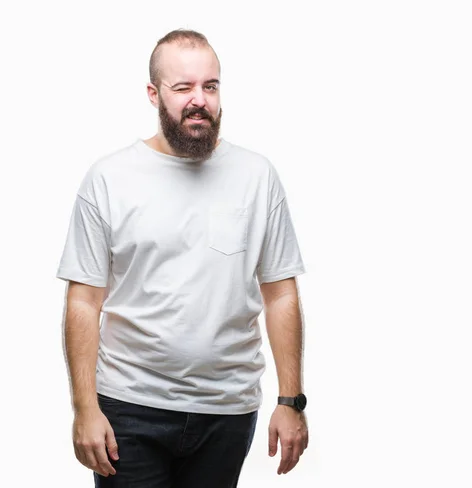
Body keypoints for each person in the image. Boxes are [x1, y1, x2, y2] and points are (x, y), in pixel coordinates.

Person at [56, 29, 309, 487]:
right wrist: (84, 408)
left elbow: (280, 294)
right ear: (154, 94)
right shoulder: (109, 179)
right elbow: (83, 302)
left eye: (210, 86)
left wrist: (290, 401)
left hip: (227, 410)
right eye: (183, 88)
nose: (200, 100)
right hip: (129, 408)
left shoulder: (257, 176)